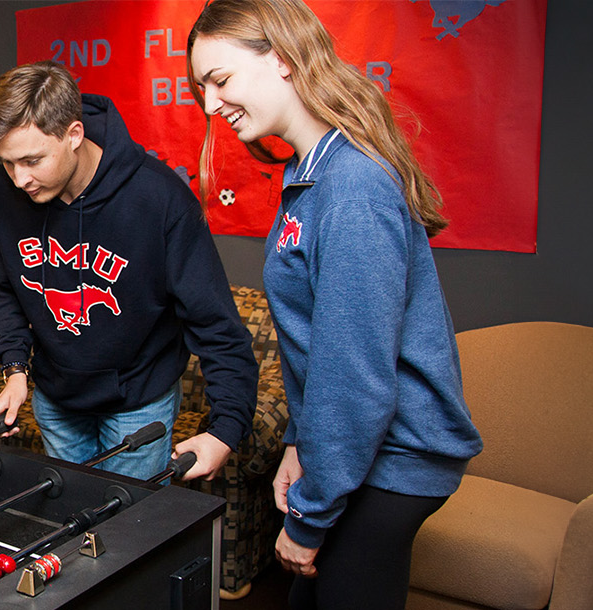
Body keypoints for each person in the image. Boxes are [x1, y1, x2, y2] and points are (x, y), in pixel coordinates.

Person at [186, 1, 484, 607]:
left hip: (392, 463)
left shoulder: (351, 186)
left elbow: (354, 377)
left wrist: (309, 517)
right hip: (362, 456)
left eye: (221, 80)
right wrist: (298, 441)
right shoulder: (311, 173)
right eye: (202, 89)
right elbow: (319, 345)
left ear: (284, 60)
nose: (212, 106)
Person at [0, 61, 258, 482]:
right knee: (70, 524)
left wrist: (226, 428)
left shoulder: (160, 199)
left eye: (32, 160)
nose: (19, 179)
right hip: (55, 398)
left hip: (138, 401)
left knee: (130, 531)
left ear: (74, 134)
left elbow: (214, 322)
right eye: (8, 163)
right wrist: (16, 370)